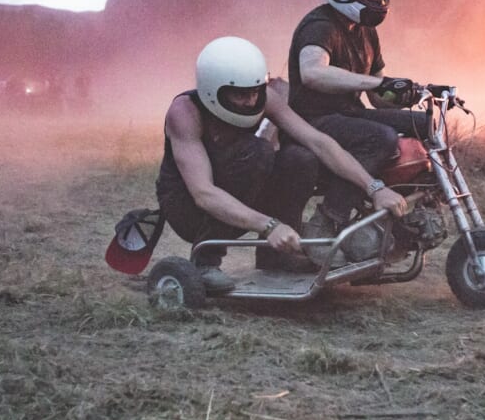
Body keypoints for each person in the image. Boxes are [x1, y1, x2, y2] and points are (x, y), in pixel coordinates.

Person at [156, 35, 408, 294]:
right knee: (258, 152)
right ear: (212, 88)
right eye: (241, 95)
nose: (251, 101)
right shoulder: (185, 113)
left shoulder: (266, 99)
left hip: (237, 185)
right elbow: (203, 193)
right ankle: (205, 262)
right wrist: (269, 226)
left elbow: (319, 142)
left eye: (255, 92)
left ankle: (277, 256)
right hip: (186, 204)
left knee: (300, 158)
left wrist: (374, 187)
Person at [287, 0, 427, 259]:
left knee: (425, 126)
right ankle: (326, 222)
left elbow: (377, 95)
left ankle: (408, 215)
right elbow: (311, 72)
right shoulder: (320, 25)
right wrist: (372, 83)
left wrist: (407, 92)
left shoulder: (365, 31)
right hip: (312, 120)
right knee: (380, 138)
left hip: (348, 114)